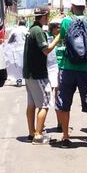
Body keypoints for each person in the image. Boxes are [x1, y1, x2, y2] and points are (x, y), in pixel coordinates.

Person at [54, 0, 87, 148]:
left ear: (73, 7)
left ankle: (66, 136)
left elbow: (62, 39)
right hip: (86, 68)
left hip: (67, 67)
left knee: (64, 102)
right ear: (85, 7)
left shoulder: (66, 21)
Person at [23, 7, 60, 144]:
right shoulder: (38, 31)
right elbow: (46, 50)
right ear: (45, 15)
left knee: (32, 104)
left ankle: (32, 132)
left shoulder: (32, 29)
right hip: (37, 74)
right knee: (44, 104)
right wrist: (58, 37)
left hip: (29, 73)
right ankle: (38, 135)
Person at [4, 20, 28, 86]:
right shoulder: (27, 30)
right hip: (25, 50)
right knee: (24, 65)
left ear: (18, 24)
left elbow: (10, 41)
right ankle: (26, 80)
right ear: (25, 24)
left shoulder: (14, 30)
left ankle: (19, 80)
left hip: (16, 50)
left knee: (17, 66)